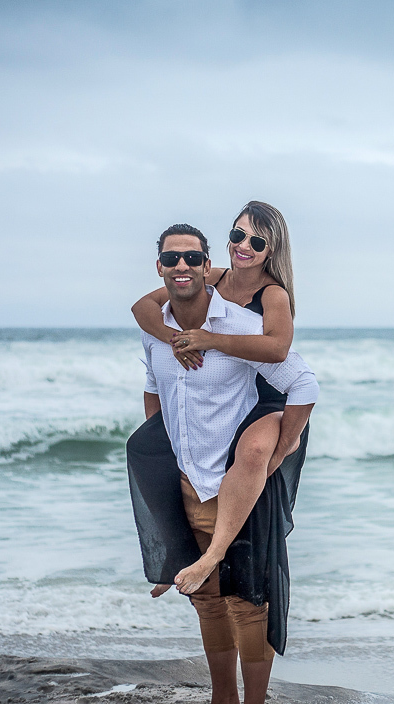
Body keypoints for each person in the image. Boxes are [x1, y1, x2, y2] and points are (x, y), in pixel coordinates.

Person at [126, 222, 317, 704]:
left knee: (246, 602)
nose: (181, 267)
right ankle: (221, 703)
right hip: (188, 479)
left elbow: (302, 381)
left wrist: (281, 449)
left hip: (234, 483)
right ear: (159, 267)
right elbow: (152, 387)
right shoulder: (155, 328)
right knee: (207, 600)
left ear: (207, 265)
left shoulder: (239, 324)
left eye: (192, 259)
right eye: (172, 260)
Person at [132, 201, 298, 601]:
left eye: (256, 241)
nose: (243, 245)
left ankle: (214, 554)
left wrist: (206, 340)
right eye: (237, 234)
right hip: (212, 388)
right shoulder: (216, 276)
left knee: (256, 452)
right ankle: (173, 559)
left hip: (263, 395)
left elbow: (277, 350)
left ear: (271, 250)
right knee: (143, 448)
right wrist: (178, 342)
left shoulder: (273, 294)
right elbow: (143, 307)